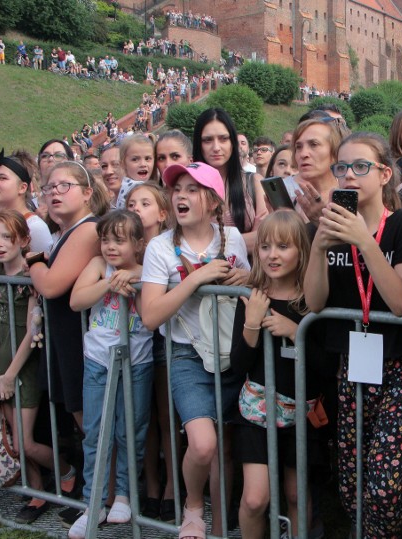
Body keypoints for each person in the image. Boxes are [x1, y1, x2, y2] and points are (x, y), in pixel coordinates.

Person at [304, 132, 402, 538]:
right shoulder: (330, 229)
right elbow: (315, 302)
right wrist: (319, 245)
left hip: (401, 367)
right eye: (342, 168)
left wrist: (363, 240)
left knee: (385, 488)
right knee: (352, 483)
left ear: (385, 173)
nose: (349, 176)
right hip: (351, 365)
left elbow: (401, 301)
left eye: (361, 166)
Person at [141, 162, 249, 538]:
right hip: (186, 355)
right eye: (177, 189)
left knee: (226, 449)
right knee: (203, 445)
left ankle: (219, 528)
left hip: (230, 352)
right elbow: (150, 315)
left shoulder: (232, 240)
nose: (181, 196)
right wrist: (197, 278)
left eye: (192, 189)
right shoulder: (159, 247)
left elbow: (253, 283)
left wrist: (246, 278)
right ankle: (192, 506)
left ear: (215, 201)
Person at [232, 210, 321, 538]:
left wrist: (296, 331)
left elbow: (325, 365)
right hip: (256, 410)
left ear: (301, 250)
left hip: (302, 411)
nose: (272, 255)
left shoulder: (312, 301)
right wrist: (252, 321)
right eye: (265, 246)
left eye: (283, 246)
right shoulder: (252, 296)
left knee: (297, 494)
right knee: (255, 499)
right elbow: (238, 364)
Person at [68, 211, 153, 537]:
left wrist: (136, 283)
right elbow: (77, 300)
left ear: (138, 244)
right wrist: (108, 283)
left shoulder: (147, 272)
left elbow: (149, 319)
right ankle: (94, 501)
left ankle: (124, 495)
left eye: (119, 240)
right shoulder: (97, 266)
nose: (110, 247)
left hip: (137, 362)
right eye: (106, 239)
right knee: (95, 431)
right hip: (98, 361)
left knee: (130, 430)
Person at [0, 210, 63, 524]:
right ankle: (37, 492)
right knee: (13, 440)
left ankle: (66, 470)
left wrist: (11, 373)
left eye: (7, 237)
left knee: (25, 442)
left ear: (23, 239)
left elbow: (31, 329)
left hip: (21, 367)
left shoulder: (29, 276)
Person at [28, 161, 108, 445]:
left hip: (80, 338)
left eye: (65, 186)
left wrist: (34, 261)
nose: (54, 193)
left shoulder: (88, 229)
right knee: (83, 420)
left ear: (87, 193)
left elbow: (50, 285)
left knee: (91, 423)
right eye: (49, 187)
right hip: (66, 335)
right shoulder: (68, 231)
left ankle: (107, 487)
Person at [124, 183, 177, 520]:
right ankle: (152, 485)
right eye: (131, 202)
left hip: (163, 336)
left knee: (165, 414)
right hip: (130, 340)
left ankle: (173, 485)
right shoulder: (122, 247)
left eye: (145, 203)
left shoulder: (169, 246)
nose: (137, 208)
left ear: (161, 213)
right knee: (143, 417)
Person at [192, 108, 267, 252]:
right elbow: (184, 240)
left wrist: (209, 245)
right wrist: (245, 240)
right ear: (198, 144)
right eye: (208, 140)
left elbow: (264, 239)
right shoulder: (188, 186)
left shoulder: (254, 182)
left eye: (223, 139)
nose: (216, 147)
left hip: (246, 273)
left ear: (232, 142)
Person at [291, 117, 344, 224]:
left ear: (334, 152)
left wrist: (319, 221)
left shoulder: (349, 198)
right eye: (298, 147)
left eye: (314, 144)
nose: (303, 154)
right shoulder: (294, 199)